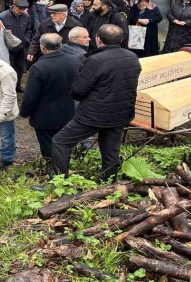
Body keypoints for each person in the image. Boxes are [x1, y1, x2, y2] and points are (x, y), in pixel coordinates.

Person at [50, 25, 141, 182]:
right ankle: (109, 180)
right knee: (111, 148)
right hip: (121, 112)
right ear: (122, 39)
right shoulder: (132, 57)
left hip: (94, 114)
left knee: (60, 141)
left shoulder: (95, 60)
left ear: (99, 39)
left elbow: (78, 91)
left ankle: (59, 182)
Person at [20, 34, 81, 164]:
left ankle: (54, 171)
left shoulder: (38, 67)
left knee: (48, 146)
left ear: (42, 47)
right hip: (68, 110)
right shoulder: (74, 61)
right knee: (64, 143)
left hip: (45, 115)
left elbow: (31, 95)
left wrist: (24, 112)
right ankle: (65, 166)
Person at [0, 0, 33, 91]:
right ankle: (8, 88)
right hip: (8, 48)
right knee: (8, 69)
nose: (21, 11)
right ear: (13, 6)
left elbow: (29, 29)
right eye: (19, 9)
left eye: (23, 9)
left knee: (20, 68)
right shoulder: (2, 16)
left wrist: (26, 39)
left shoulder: (26, 16)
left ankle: (17, 86)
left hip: (21, 47)